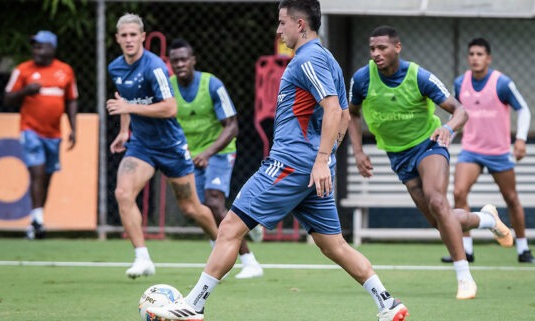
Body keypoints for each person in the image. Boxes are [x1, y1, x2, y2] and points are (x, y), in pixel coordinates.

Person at [147, 2, 409, 321]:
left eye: (282, 22)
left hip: (289, 164)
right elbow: (342, 114)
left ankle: (193, 304)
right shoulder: (327, 59)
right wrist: (324, 161)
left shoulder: (308, 59)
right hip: (310, 170)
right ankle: (386, 302)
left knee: (229, 226)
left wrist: (321, 158)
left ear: (301, 24)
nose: (277, 30)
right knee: (333, 245)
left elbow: (331, 109)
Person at [346, 26, 514, 300]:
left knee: (438, 201)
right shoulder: (362, 79)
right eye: (372, 49)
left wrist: (448, 129)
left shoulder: (419, 76)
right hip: (398, 156)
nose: (376, 53)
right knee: (442, 221)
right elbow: (351, 114)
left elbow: (461, 110)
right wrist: (358, 152)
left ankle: (464, 278)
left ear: (397, 47)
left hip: (430, 145)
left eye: (382, 48)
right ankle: (487, 219)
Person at [107, 13, 219, 279]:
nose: (129, 40)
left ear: (143, 37)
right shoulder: (115, 68)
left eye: (134, 34)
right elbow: (123, 100)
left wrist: (129, 108)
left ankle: (220, 243)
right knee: (123, 193)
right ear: (117, 39)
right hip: (142, 146)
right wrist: (124, 131)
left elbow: (170, 108)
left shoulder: (154, 66)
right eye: (124, 35)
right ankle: (142, 258)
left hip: (170, 146)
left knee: (190, 207)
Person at [167, 38, 263, 279]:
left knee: (214, 202)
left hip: (219, 151)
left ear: (193, 61)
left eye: (184, 59)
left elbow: (232, 126)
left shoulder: (212, 84)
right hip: (190, 156)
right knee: (196, 209)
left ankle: (250, 262)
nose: (179, 64)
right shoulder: (168, 88)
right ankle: (237, 234)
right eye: (175, 60)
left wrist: (208, 153)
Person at [440, 38, 535, 264]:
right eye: (471, 54)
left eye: (480, 54)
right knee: (458, 193)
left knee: (511, 198)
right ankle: (466, 249)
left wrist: (520, 140)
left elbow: (524, 110)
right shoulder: (460, 83)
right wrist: (447, 135)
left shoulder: (501, 83)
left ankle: (523, 248)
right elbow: (457, 115)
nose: (475, 58)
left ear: (488, 58)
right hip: (471, 150)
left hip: (499, 152)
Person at [4, 30, 78, 240]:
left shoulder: (65, 71)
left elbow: (72, 100)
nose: (36, 50)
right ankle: (38, 220)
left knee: (46, 177)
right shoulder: (22, 70)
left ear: (52, 49)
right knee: (36, 171)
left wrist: (74, 128)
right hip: (30, 130)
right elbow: (7, 97)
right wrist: (25, 92)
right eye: (34, 46)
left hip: (54, 133)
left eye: (41, 46)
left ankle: (36, 221)